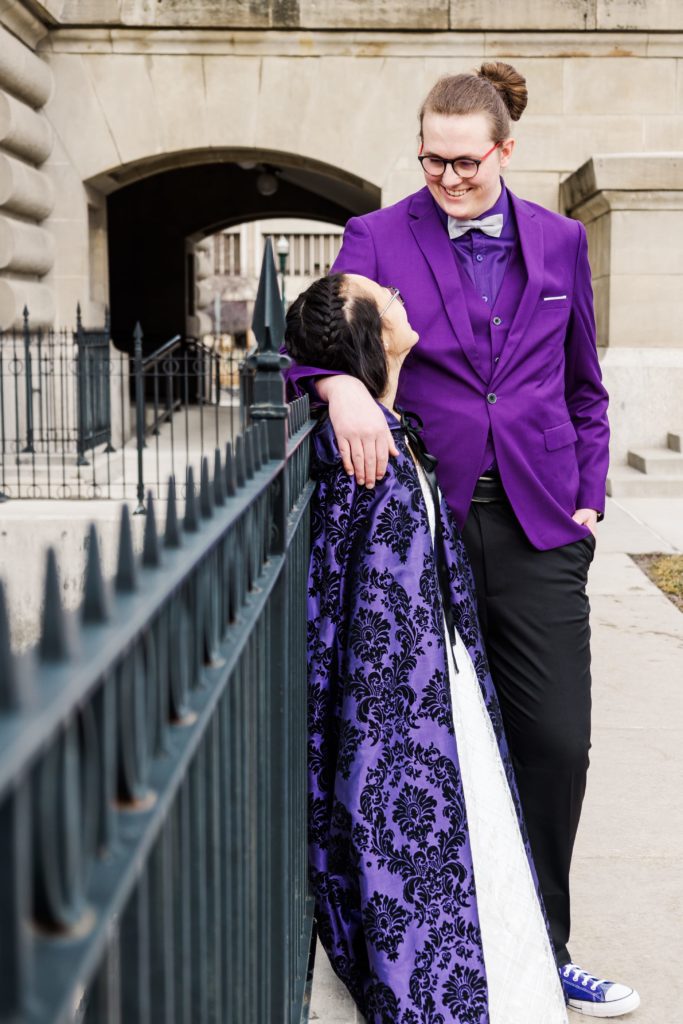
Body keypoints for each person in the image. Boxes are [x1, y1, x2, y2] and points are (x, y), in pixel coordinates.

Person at [286, 63, 640, 1018]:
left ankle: (546, 948)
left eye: (463, 161)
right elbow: (303, 343)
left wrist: (588, 502)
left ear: (503, 151)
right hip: (422, 534)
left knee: (554, 744)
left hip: (539, 526)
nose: (445, 177)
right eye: (429, 159)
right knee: (438, 754)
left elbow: (585, 388)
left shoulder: (560, 243)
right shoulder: (375, 236)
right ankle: (450, 954)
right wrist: (338, 384)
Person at [285, 270, 569, 1024]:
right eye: (386, 300)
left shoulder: (384, 428)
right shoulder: (363, 455)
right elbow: (377, 621)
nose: (402, 299)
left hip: (445, 679)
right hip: (410, 707)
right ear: (372, 337)